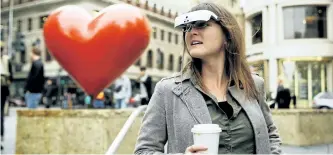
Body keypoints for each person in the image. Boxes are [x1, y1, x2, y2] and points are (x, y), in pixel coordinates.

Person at [134, 2, 281, 154]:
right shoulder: (168, 90)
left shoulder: (254, 84)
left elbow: (271, 136)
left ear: (227, 35)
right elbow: (144, 150)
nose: (192, 32)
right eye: (187, 27)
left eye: (201, 24)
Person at [1, 47, 13, 150]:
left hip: (3, 89)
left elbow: (11, 77)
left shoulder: (6, 60)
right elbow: (11, 77)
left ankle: (1, 137)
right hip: (4, 89)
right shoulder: (6, 60)